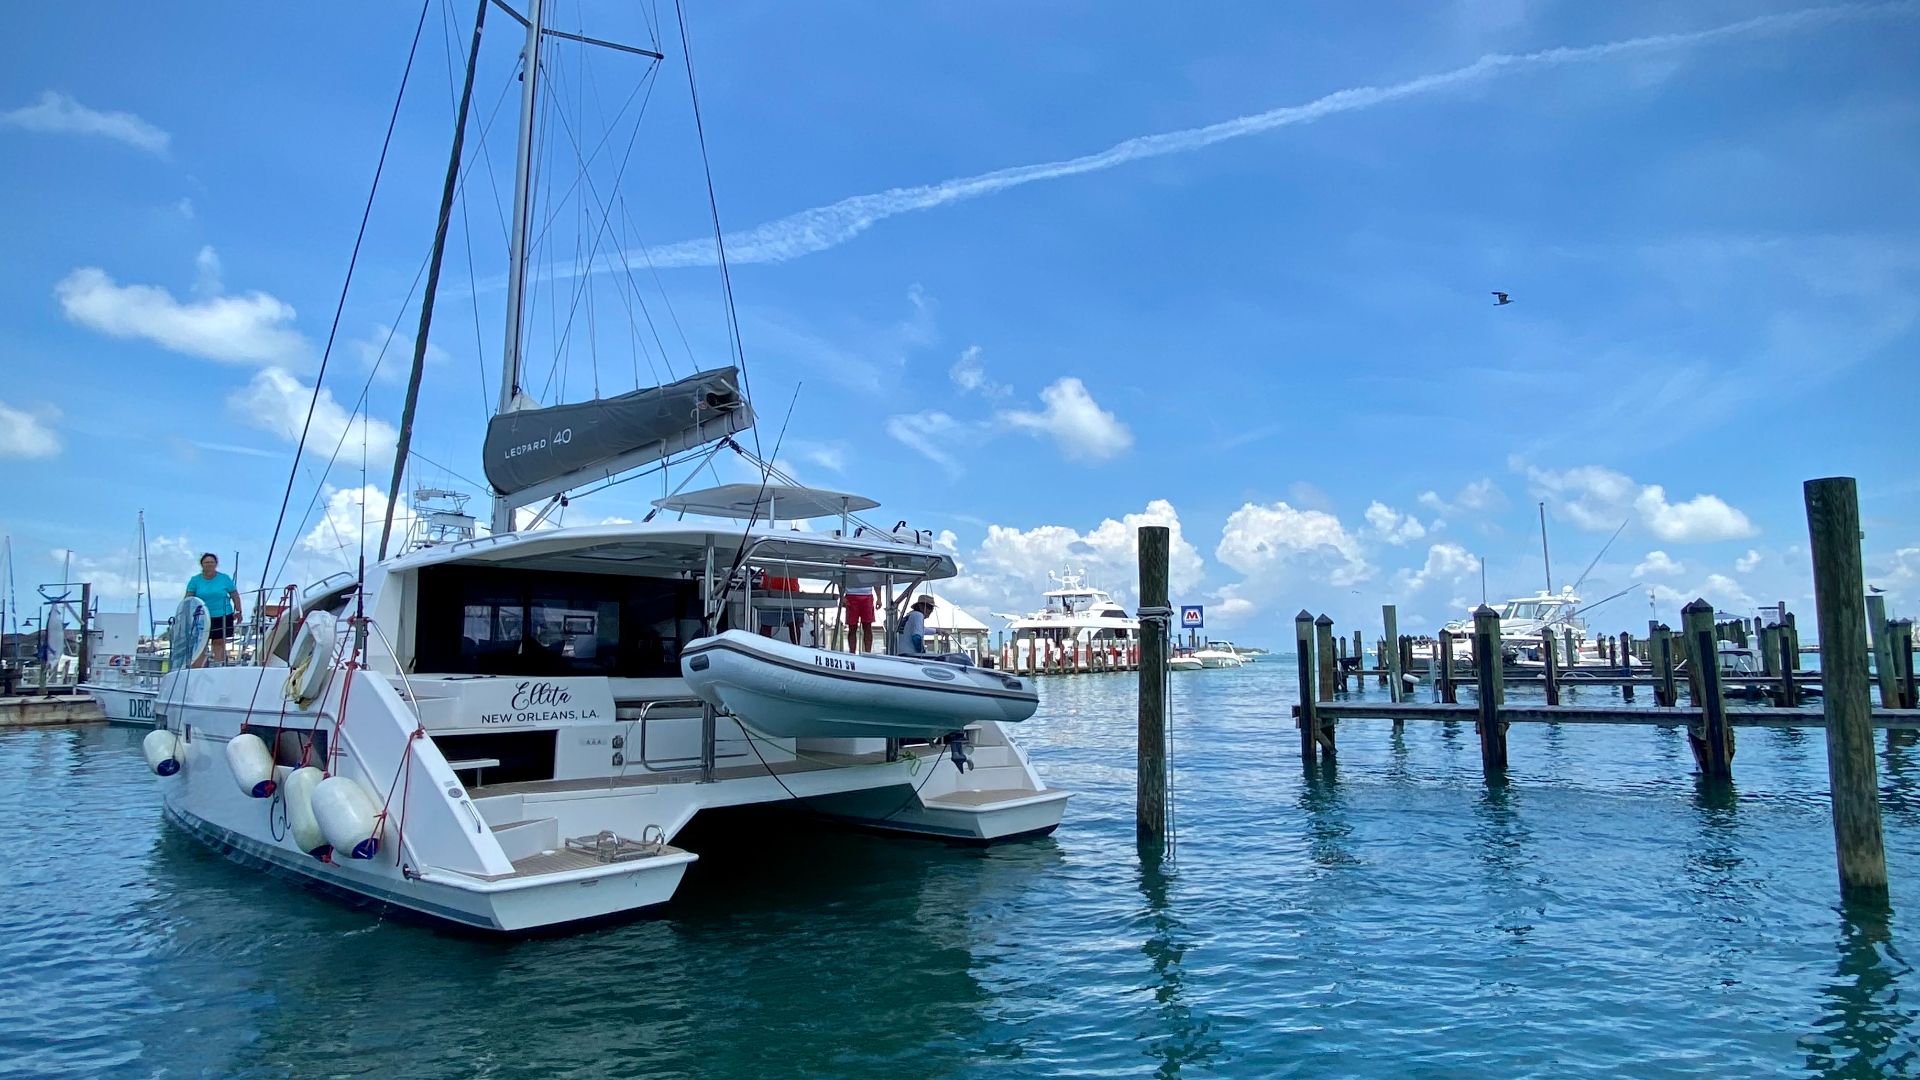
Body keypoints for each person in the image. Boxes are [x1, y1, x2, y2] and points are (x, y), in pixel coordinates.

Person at [184, 553, 243, 666]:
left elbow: (234, 595)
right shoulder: (195, 580)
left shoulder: (224, 578)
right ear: (202, 564)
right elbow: (188, 598)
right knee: (201, 644)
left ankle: (218, 665)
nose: (209, 565)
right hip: (201, 617)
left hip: (222, 614)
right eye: (207, 562)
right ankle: (196, 668)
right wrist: (185, 615)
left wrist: (239, 611)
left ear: (216, 564)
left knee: (219, 643)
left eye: (212, 562)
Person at [842, 581, 877, 653]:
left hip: (867, 595)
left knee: (867, 626)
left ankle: (868, 652)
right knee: (852, 627)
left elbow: (876, 580)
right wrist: (841, 596)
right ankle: (852, 652)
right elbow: (840, 578)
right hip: (850, 595)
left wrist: (879, 597)